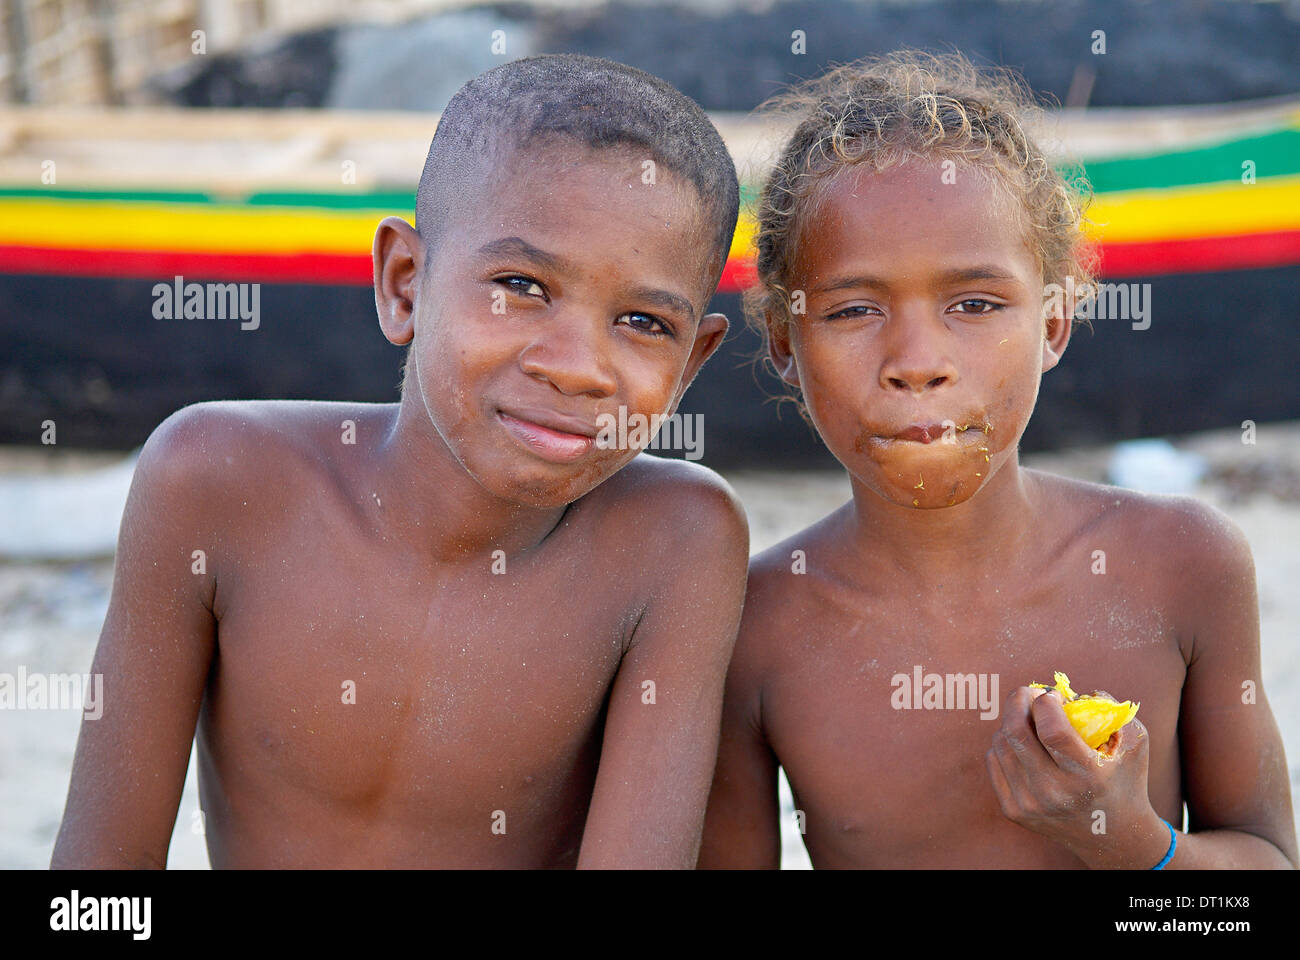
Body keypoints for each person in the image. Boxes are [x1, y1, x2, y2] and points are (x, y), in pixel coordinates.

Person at [53, 53, 748, 869]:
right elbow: (95, 885)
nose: (577, 366)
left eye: (642, 321)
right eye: (521, 285)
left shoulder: (675, 543)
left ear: (692, 363)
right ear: (404, 283)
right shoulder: (213, 480)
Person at [699, 51, 1296, 868]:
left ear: (1053, 323)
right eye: (854, 309)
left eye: (974, 304)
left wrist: (1127, 840)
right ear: (782, 344)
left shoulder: (1185, 564)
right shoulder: (752, 628)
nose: (918, 360)